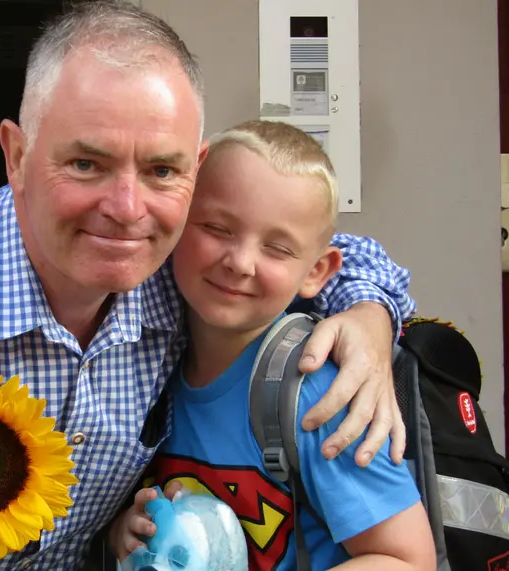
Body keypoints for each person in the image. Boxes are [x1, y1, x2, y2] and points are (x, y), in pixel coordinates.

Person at [0, 3, 415, 570]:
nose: (126, 209)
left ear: (196, 168)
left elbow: (314, 254)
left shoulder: (184, 265)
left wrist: (369, 316)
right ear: (17, 155)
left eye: (161, 170)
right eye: (87, 163)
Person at [110, 121, 435, 570]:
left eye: (278, 249)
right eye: (217, 228)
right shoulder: (148, 367)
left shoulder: (316, 393)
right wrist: (127, 532)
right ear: (177, 220)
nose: (241, 262)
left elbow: (406, 559)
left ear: (317, 272)